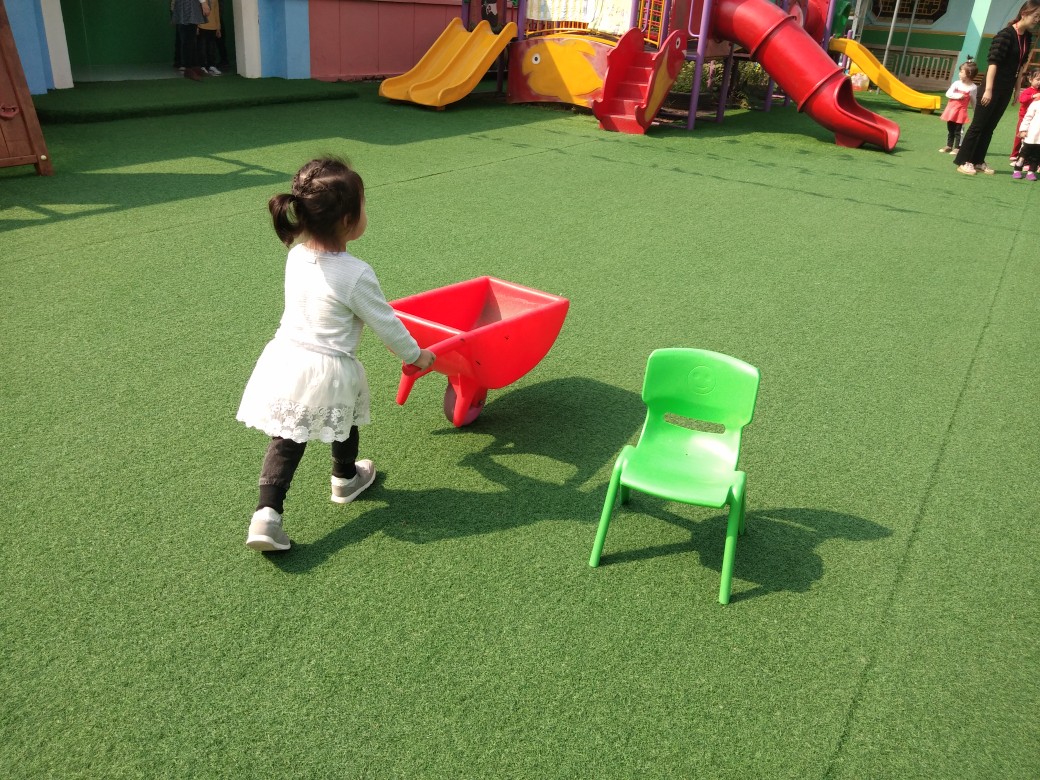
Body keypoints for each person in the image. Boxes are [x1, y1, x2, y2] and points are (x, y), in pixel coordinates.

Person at [237, 158, 436, 552]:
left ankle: (267, 514)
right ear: (348, 220)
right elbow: (386, 323)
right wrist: (416, 355)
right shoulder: (355, 273)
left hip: (286, 359)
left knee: (287, 437)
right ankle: (344, 478)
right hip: (330, 366)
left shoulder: (296, 255)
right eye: (364, 205)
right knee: (344, 420)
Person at [954, 1, 1040, 176]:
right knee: (978, 125)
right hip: (992, 87)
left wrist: (1017, 89)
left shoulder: (1026, 37)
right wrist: (988, 89)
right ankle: (964, 161)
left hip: (1006, 88)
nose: (1037, 20)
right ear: (1024, 13)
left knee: (990, 127)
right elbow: (993, 63)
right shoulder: (1005, 35)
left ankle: (978, 160)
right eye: (1036, 16)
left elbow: (1021, 66)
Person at [938, 60, 979, 154]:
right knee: (950, 129)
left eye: (961, 72)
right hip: (951, 111)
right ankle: (949, 145)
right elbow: (948, 93)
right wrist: (958, 96)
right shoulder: (956, 83)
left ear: (969, 73)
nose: (959, 74)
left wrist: (976, 112)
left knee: (959, 130)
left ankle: (957, 147)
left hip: (961, 112)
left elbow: (974, 101)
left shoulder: (973, 87)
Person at [171, 0, 210, 81]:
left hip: (190, 4)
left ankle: (194, 67)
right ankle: (188, 68)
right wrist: (203, 2)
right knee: (187, 38)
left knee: (191, 38)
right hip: (187, 5)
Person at [1010, 69, 1040, 160]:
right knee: (1020, 135)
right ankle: (1014, 154)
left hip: (1035, 119)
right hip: (1024, 117)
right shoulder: (1028, 90)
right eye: (1038, 79)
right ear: (1030, 80)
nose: (1039, 82)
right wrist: (1032, 96)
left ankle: (1028, 156)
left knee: (1033, 136)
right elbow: (1022, 100)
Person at [1013, 92, 1040, 179]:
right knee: (1024, 153)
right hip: (1031, 134)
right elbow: (1027, 117)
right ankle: (1017, 170)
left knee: (1036, 155)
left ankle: (1031, 172)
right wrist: (1023, 130)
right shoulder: (1036, 103)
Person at [197, 0, 223, 75]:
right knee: (202, 47)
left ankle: (212, 66)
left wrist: (218, 27)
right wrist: (196, 26)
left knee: (211, 47)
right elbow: (196, 12)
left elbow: (216, 12)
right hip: (202, 26)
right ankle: (202, 66)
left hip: (213, 27)